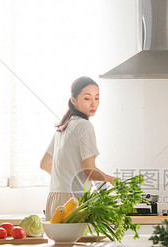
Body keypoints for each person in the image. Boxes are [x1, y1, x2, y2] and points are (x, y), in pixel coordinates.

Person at [40, 76, 115, 220]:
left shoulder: (64, 126)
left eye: (97, 98)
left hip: (53, 199)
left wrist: (68, 179)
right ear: (74, 100)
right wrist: (114, 181)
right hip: (73, 202)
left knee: (59, 243)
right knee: (80, 243)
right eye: (87, 98)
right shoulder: (84, 126)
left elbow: (44, 164)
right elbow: (90, 171)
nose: (94, 104)